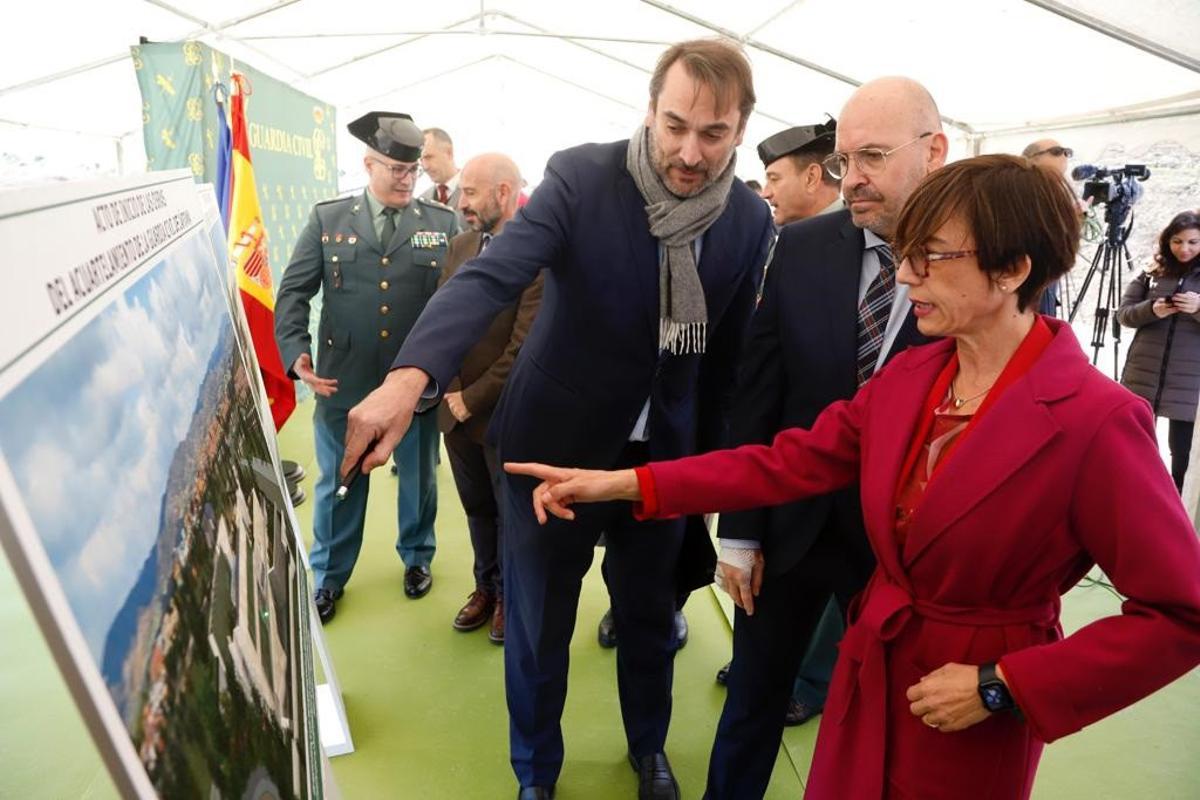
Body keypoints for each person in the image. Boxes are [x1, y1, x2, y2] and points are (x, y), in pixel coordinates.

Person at [505, 154, 1200, 800]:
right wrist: (622, 484)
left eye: (932, 256)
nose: (906, 277)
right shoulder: (914, 376)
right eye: (905, 254)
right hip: (872, 669)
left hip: (968, 705)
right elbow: (786, 461)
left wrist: (1004, 685)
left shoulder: (1097, 420)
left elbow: (1179, 614)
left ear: (1012, 269)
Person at [342, 39, 773, 800]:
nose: (689, 152)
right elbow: (490, 276)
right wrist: (409, 379)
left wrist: (712, 480)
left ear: (740, 129)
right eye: (675, 126)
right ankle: (535, 772)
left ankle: (649, 749)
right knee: (539, 626)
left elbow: (727, 363)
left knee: (650, 619)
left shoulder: (745, 221)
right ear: (650, 109)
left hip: (659, 468)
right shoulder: (582, 178)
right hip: (550, 453)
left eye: (713, 134)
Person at [706, 78, 940, 799]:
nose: (853, 177)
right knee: (753, 697)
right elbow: (759, 390)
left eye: (873, 156)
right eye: (844, 160)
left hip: (902, 546)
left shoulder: (977, 257)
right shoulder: (802, 246)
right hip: (789, 529)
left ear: (933, 151)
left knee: (887, 715)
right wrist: (739, 531)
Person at [274, 111, 457, 623]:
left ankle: (417, 556)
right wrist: (295, 352)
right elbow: (293, 293)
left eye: (413, 170)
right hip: (344, 380)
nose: (406, 180)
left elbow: (460, 300)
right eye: (396, 169)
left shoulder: (442, 224)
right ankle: (329, 575)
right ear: (368, 164)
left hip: (413, 384)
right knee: (340, 478)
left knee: (417, 475)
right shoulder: (328, 220)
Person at [441, 153, 544, 644]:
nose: (461, 202)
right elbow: (442, 319)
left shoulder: (537, 252)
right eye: (462, 191)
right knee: (477, 507)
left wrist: (472, 398)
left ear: (503, 193)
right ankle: (484, 587)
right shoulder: (460, 245)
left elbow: (524, 345)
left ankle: (507, 597)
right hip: (454, 410)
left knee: (508, 513)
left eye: (471, 192)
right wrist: (448, 390)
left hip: (504, 413)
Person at [1117, 210, 1200, 491]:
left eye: (1193, 242)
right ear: (1167, 241)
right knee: (1134, 450)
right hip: (1142, 377)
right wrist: (1152, 310)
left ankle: (1176, 506)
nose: (1184, 249)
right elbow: (1123, 315)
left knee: (1182, 455)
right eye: (1177, 241)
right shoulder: (1151, 271)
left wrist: (1198, 308)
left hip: (1189, 384)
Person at [1022, 139, 1074, 317]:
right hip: (1026, 284)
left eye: (1067, 152)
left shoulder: (1055, 194)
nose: (1064, 156)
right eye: (1057, 151)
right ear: (1032, 158)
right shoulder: (1019, 191)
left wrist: (1073, 221)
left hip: (1046, 284)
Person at [757, 119, 841, 227]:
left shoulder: (858, 233)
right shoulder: (792, 234)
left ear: (811, 178)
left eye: (774, 179)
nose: (765, 194)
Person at [420, 127, 465, 229]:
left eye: (428, 157)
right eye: (421, 159)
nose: (425, 166)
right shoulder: (422, 200)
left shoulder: (476, 192)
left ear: (449, 153)